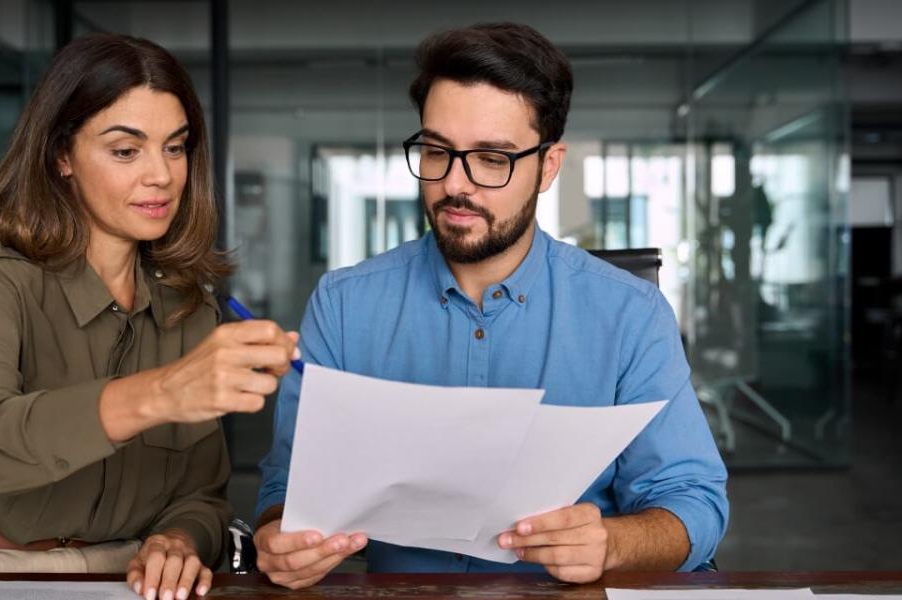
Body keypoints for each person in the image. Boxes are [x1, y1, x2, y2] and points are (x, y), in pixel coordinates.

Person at [253, 23, 728, 589]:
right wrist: (279, 537)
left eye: (491, 159)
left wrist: (613, 544)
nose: (456, 185)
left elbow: (694, 504)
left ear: (548, 166)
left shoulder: (630, 313)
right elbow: (286, 489)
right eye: (436, 151)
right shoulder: (344, 305)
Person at [0, 33, 300, 600]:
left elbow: (201, 494)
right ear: (62, 155)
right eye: (126, 150)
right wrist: (161, 392)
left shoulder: (190, 308)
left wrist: (177, 540)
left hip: (126, 575)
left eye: (175, 147)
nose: (161, 175)